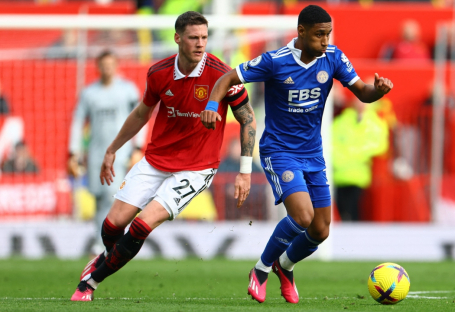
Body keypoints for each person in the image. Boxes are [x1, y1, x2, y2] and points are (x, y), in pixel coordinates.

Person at [201, 5, 393, 304]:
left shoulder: (333, 57)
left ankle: (285, 266)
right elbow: (226, 78)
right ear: (301, 32)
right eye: (319, 35)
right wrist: (212, 106)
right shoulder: (274, 61)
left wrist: (377, 91)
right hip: (279, 150)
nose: (326, 41)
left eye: (328, 34)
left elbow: (362, 92)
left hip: (312, 153)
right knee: (302, 216)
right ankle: (261, 269)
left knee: (321, 229)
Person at [70, 11, 255, 301]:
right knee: (112, 225)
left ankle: (90, 283)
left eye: (204, 37)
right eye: (193, 37)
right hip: (156, 160)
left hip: (196, 167)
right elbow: (142, 113)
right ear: (177, 38)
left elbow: (247, 119)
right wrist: (112, 148)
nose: (200, 44)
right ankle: (106, 257)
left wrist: (245, 170)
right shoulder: (158, 73)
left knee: (142, 224)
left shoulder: (223, 74)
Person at [68, 50, 144, 253]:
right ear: (98, 67)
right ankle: (99, 241)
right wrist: (74, 151)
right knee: (99, 197)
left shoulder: (128, 90)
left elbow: (141, 117)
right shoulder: (89, 93)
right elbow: (77, 122)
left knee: (115, 196)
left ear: (116, 65)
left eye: (111, 64)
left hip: (122, 152)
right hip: (96, 153)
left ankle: (116, 241)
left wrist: (138, 147)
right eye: (104, 65)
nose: (107, 68)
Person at [332, 98, 389, 221]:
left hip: (358, 175)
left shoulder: (375, 123)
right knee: (343, 210)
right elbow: (331, 143)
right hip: (340, 174)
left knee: (355, 209)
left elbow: (380, 145)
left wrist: (351, 153)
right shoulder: (342, 121)